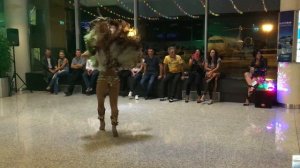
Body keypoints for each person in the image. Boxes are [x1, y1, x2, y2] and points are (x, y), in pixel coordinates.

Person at [84, 17, 141, 137]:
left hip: (103, 77)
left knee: (100, 103)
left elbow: (86, 54)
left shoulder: (99, 44)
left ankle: (102, 124)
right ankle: (114, 127)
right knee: (114, 105)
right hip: (114, 77)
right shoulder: (118, 45)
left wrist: (92, 55)